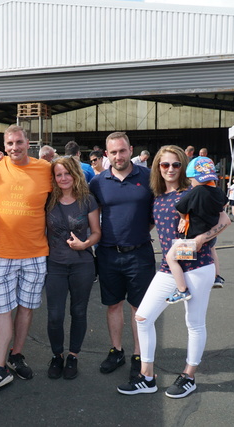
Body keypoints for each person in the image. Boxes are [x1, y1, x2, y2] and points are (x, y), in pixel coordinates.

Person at [117, 145, 230, 399]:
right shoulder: (156, 196)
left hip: (198, 265)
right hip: (170, 267)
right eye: (164, 165)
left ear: (184, 167)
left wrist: (200, 240)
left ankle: (188, 376)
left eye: (176, 165)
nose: (170, 169)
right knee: (143, 317)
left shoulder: (194, 191)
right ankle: (147, 377)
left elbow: (224, 221)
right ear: (157, 167)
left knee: (194, 323)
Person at [0, 125, 52, 394]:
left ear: (29, 143)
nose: (14, 148)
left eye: (18, 142)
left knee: (26, 308)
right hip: (2, 253)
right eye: (9, 144)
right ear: (3, 146)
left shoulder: (45, 169)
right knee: (2, 310)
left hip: (36, 252)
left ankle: (16, 355)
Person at [89, 131, 155, 382]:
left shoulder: (148, 177)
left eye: (122, 150)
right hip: (107, 254)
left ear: (131, 150)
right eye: (113, 152)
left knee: (139, 307)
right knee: (113, 304)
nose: (118, 156)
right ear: (107, 154)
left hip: (140, 253)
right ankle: (116, 351)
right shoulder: (98, 182)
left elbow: (157, 212)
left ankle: (139, 355)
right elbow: (88, 214)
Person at [45, 157, 101, 380]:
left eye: (67, 173)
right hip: (55, 264)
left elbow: (96, 231)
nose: (63, 178)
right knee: (54, 315)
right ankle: (57, 355)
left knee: (78, 312)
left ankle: (73, 356)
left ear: (75, 174)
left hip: (82, 265)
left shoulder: (87, 199)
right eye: (58, 174)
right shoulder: (48, 200)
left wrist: (85, 244)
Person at [166, 156, 227, 304]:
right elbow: (223, 207)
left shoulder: (197, 191)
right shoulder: (218, 191)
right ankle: (217, 277)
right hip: (211, 235)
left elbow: (180, 207)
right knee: (213, 249)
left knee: (171, 257)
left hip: (192, 239)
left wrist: (184, 217)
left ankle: (182, 290)